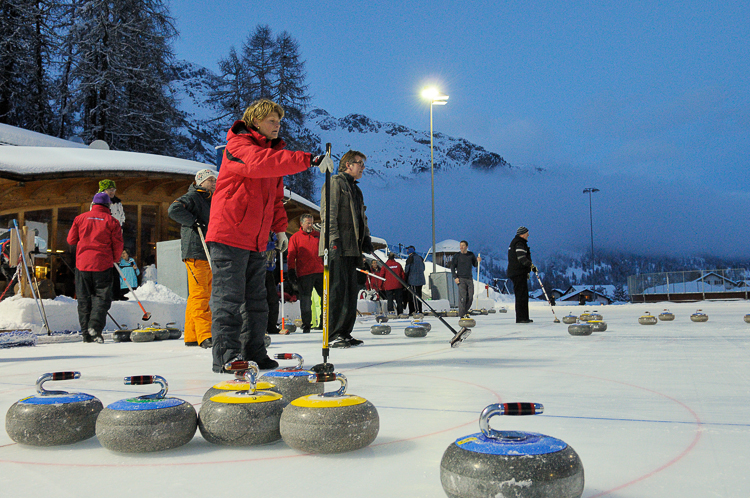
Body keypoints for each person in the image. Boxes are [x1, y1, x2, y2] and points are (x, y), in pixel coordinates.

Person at [206, 98, 316, 372]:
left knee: (258, 300)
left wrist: (280, 229)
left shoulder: (272, 158)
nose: (277, 127)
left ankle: (254, 351)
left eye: (279, 122)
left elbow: (276, 199)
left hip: (256, 239)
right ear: (256, 121)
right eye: (272, 121)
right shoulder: (239, 146)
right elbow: (258, 164)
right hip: (229, 233)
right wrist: (307, 160)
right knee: (228, 299)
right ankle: (226, 357)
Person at [319, 150, 374, 348]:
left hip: (353, 248)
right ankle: (333, 333)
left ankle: (345, 331)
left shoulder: (356, 190)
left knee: (351, 292)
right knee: (336, 291)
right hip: (338, 247)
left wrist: (366, 238)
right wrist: (333, 240)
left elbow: (361, 218)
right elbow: (328, 212)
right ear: (348, 164)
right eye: (360, 163)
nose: (362, 168)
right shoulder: (336, 183)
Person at [168, 168, 216, 348]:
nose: (213, 183)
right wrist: (192, 221)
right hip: (196, 251)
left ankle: (192, 335)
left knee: (198, 294)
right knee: (200, 294)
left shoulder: (208, 199)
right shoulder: (193, 196)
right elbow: (174, 209)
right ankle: (205, 335)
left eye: (214, 180)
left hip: (206, 251)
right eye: (210, 180)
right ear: (201, 181)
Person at [67, 192, 124, 343]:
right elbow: (118, 245)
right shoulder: (112, 221)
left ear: (93, 204)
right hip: (103, 264)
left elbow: (71, 239)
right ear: (108, 205)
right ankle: (95, 327)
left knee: (84, 300)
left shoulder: (80, 218)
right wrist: (115, 259)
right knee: (102, 298)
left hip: (82, 265)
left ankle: (87, 335)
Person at [287, 213, 324, 334]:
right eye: (308, 223)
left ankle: (325, 322)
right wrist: (291, 271)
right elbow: (291, 255)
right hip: (305, 273)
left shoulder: (318, 236)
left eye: (311, 222)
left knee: (325, 298)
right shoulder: (295, 237)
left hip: (320, 271)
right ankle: (306, 325)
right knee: (306, 300)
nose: (310, 225)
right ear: (302, 224)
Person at [507, 226, 536, 323]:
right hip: (518, 272)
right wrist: (531, 266)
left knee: (522, 295)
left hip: (517, 272)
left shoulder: (516, 242)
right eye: (527, 233)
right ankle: (521, 318)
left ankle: (523, 317)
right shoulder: (519, 243)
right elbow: (521, 258)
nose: (528, 235)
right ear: (522, 234)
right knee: (521, 295)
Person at [450, 240, 481, 318]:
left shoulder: (470, 255)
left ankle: (465, 311)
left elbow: (475, 265)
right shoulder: (457, 256)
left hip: (469, 279)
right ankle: (462, 315)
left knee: (470, 297)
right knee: (463, 297)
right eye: (460, 245)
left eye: (463, 245)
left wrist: (478, 261)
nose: (461, 247)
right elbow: (452, 266)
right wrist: (455, 277)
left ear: (467, 247)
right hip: (461, 279)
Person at [404, 246, 426, 315]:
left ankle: (416, 310)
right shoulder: (420, 258)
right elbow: (423, 268)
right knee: (419, 295)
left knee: (414, 296)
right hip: (421, 280)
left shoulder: (410, 259)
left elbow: (407, 270)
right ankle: (420, 309)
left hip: (413, 280)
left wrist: (406, 278)